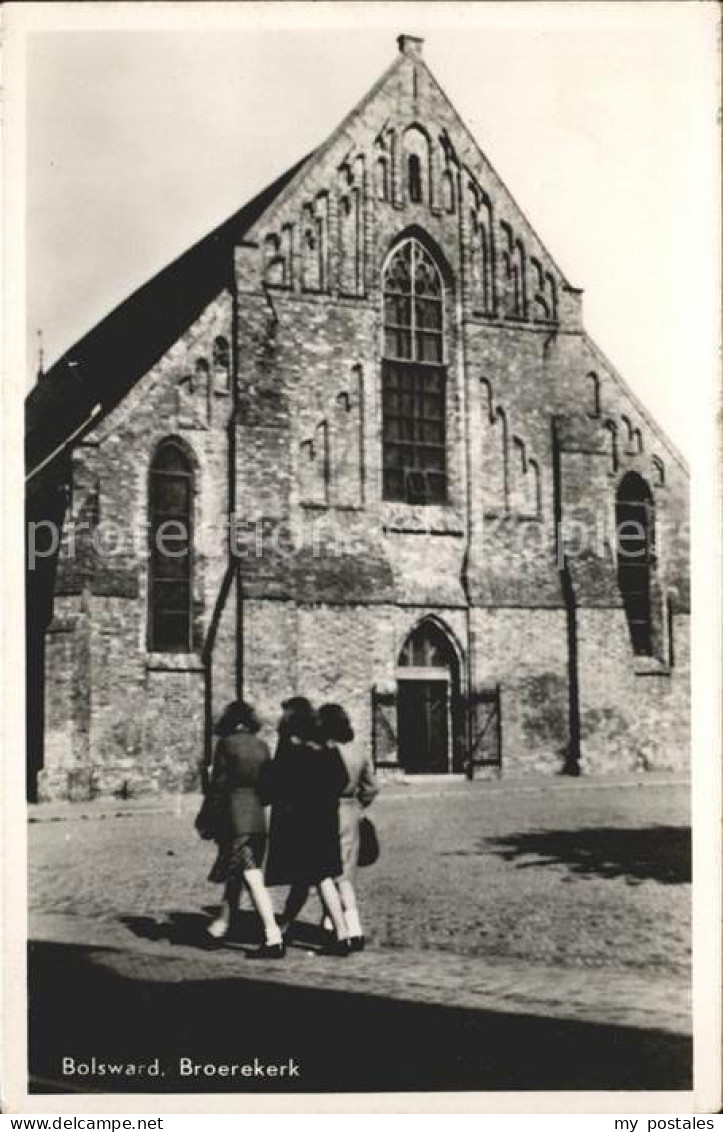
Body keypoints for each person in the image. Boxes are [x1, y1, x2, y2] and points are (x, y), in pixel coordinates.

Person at [264, 698, 353, 956]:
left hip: (301, 821)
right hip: (325, 816)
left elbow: (277, 783)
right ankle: (285, 926)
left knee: (319, 875)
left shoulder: (290, 747)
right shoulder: (325, 746)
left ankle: (342, 934)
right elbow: (341, 779)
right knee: (307, 878)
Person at [205, 700, 285, 958]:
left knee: (250, 876)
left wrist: (208, 818)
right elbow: (270, 788)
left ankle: (273, 935)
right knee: (237, 873)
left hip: (234, 816)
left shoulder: (226, 745)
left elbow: (218, 785)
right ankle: (221, 926)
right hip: (258, 818)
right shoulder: (262, 746)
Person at [319, 703, 378, 952]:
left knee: (325, 872)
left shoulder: (325, 751)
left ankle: (342, 928)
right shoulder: (359, 751)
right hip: (352, 812)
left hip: (326, 812)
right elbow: (371, 787)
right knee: (345, 874)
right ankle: (351, 928)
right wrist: (358, 804)